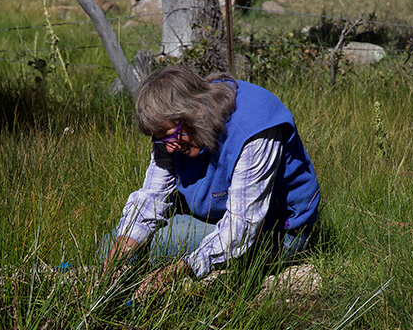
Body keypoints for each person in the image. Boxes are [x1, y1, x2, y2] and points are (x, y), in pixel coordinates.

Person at [105, 66, 320, 298]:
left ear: (195, 111)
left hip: (274, 231)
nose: (168, 147)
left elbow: (241, 229)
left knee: (164, 241)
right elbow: (153, 196)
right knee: (111, 246)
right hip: (215, 216)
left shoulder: (254, 129)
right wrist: (120, 250)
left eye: (170, 136)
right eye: (160, 140)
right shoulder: (172, 131)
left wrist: (180, 270)